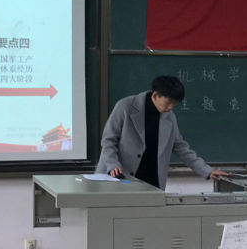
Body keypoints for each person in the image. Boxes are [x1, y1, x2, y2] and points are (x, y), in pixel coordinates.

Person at [96, 75, 228, 190]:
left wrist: (207, 171)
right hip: (119, 175)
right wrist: (112, 164)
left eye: (174, 103)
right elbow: (108, 140)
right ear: (155, 96)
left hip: (151, 180)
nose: (170, 107)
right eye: (168, 102)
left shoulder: (169, 117)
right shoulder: (125, 106)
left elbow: (180, 147)